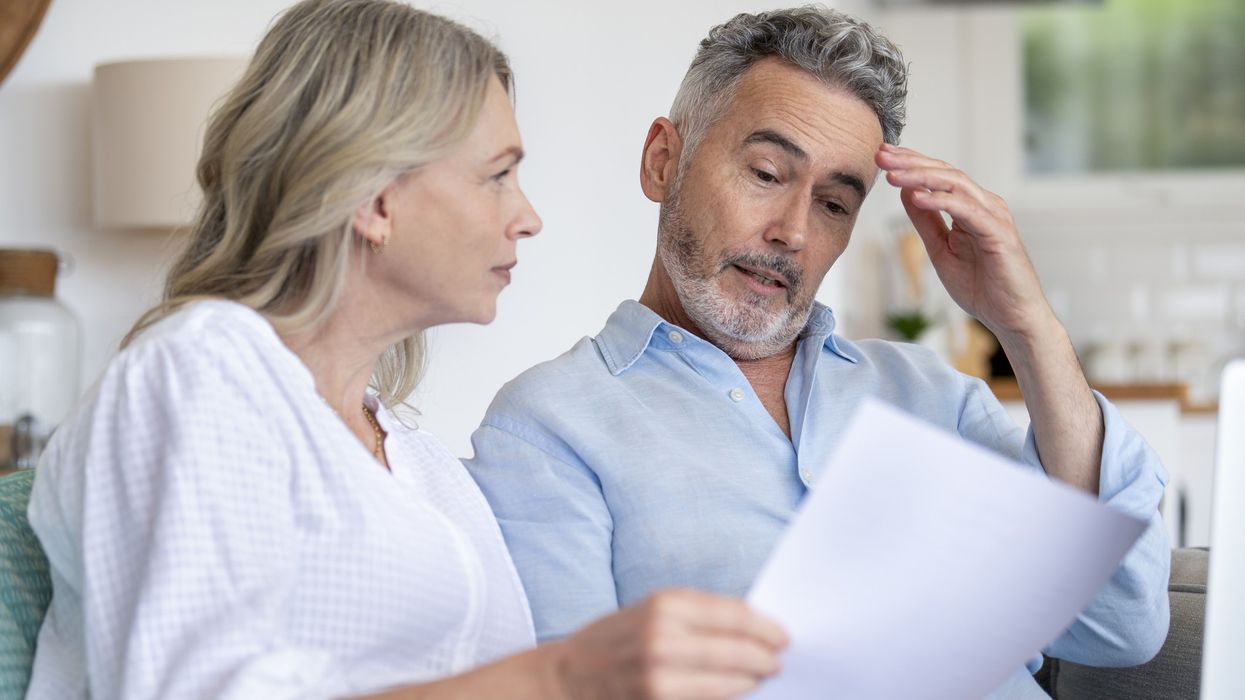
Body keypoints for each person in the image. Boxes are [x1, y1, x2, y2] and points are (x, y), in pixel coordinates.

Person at [25, 1, 790, 698]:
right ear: (374, 198)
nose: (527, 217)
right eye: (498, 175)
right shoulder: (194, 375)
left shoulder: (421, 464)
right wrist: (563, 675)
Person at [464, 7, 1171, 699]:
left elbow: (1117, 625)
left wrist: (1027, 328)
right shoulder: (550, 426)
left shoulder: (930, 393)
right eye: (767, 173)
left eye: (834, 204)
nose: (794, 232)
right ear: (662, 161)